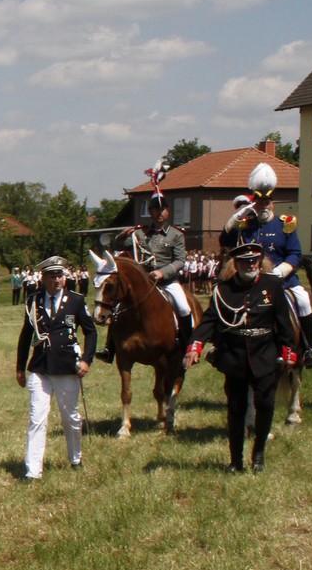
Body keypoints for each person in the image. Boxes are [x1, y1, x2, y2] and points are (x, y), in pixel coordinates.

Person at [185, 241, 298, 473]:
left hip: (265, 354)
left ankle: (259, 453)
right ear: (236, 264)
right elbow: (209, 320)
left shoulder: (272, 285)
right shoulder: (223, 290)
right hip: (235, 356)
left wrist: (289, 350)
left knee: (265, 405)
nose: (251, 265)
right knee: (235, 409)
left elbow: (283, 321)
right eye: (245, 262)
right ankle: (235, 460)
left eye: (254, 261)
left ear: (260, 262)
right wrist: (195, 346)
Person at [219, 163, 312, 367]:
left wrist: (279, 272)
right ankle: (220, 344)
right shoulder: (246, 225)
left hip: (283, 280)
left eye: (267, 201)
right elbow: (225, 240)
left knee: (303, 301)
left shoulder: (285, 224)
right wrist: (235, 218)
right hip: (251, 280)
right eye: (259, 202)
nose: (263, 205)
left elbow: (295, 253)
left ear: (272, 203)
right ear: (254, 203)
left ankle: (308, 349)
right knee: (225, 298)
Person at [98, 165, 194, 363]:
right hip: (143, 282)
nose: (159, 213)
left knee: (184, 308)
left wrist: (162, 273)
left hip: (167, 281)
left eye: (162, 209)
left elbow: (180, 260)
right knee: (117, 308)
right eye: (155, 209)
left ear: (168, 211)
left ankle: (187, 346)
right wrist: (121, 236)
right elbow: (119, 247)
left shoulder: (176, 235)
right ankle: (110, 349)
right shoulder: (141, 233)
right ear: (150, 211)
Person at [15, 256, 96, 480]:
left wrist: (87, 360)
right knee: (37, 419)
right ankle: (33, 471)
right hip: (40, 367)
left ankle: (75, 458)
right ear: (43, 278)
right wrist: (20, 367)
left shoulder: (76, 301)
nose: (57, 280)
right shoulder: (34, 301)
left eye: (60, 275)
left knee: (70, 418)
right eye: (52, 276)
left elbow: (90, 332)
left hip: (66, 367)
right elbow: (26, 335)